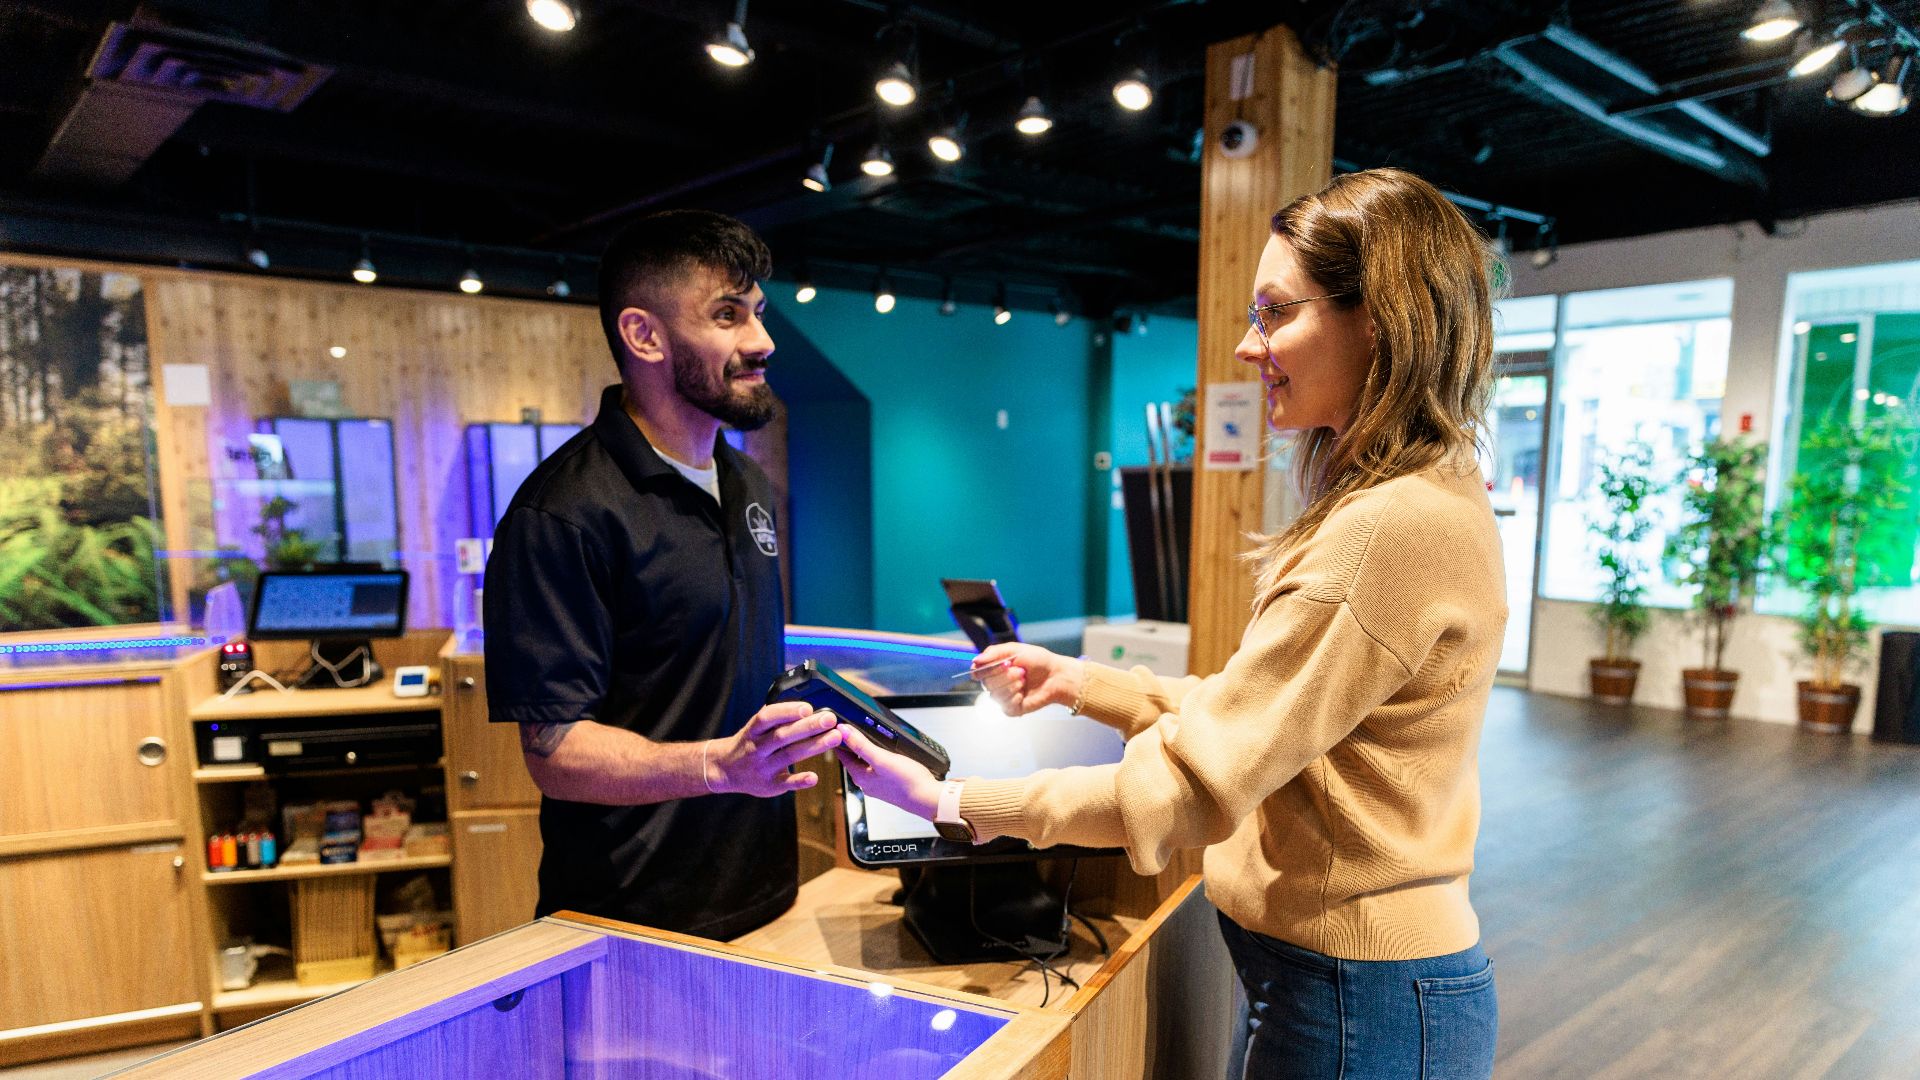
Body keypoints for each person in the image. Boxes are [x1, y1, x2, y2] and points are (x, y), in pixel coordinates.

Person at [835, 168, 1505, 1078]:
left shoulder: (1383, 530)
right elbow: (1250, 711)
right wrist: (1083, 684)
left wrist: (953, 805)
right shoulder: (1430, 493)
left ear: (1377, 318)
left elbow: (1191, 788)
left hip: (1355, 996)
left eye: (1275, 313)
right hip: (1352, 985)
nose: (1243, 345)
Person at [483, 209, 840, 941]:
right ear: (644, 334)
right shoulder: (563, 512)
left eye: (758, 313)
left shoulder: (747, 482)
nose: (762, 341)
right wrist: (717, 765)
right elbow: (555, 753)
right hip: (628, 918)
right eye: (727, 315)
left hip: (767, 895)